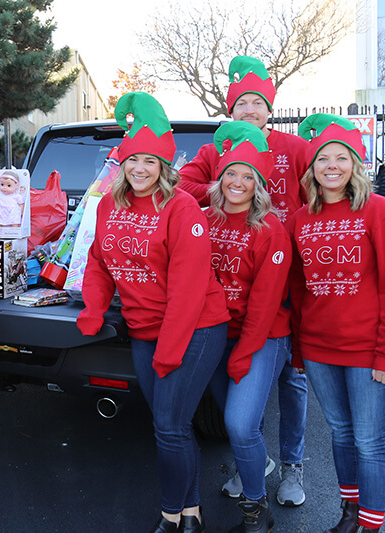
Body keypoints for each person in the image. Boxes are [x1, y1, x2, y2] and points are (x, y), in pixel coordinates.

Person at [77, 92, 229, 533]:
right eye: (132, 160)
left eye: (150, 161)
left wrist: (171, 347)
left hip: (195, 327)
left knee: (169, 426)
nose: (139, 169)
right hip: (144, 328)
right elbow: (99, 263)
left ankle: (170, 516)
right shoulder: (108, 204)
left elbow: (190, 286)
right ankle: (192, 513)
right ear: (121, 162)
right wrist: (93, 308)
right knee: (173, 426)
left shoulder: (182, 207)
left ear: (164, 166)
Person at [179, 55, 310, 506]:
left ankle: (292, 466)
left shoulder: (294, 148)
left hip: (290, 280)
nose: (250, 110)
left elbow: (327, 188)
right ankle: (253, 460)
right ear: (231, 111)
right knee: (238, 395)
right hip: (234, 288)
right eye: (242, 104)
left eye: (257, 102)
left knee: (292, 379)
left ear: (269, 109)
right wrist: (227, 196)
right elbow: (181, 185)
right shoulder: (218, 149)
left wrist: (288, 228)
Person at [291, 113, 385, 533]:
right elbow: (296, 289)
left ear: (355, 165)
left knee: (369, 442)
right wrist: (296, 349)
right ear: (311, 168)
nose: (332, 165)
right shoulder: (298, 219)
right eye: (323, 158)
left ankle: (371, 524)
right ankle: (350, 511)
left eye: (341, 158)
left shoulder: (376, 210)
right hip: (317, 347)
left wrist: (384, 351)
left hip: (365, 348)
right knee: (341, 434)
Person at [204, 122, 292, 532]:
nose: (237, 182)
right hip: (216, 334)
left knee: (239, 424)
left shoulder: (271, 230)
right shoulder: (205, 219)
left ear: (259, 185)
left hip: (262, 336)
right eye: (230, 173)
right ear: (219, 178)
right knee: (239, 421)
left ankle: (256, 510)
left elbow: (264, 304)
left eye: (248, 176)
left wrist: (242, 353)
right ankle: (254, 463)